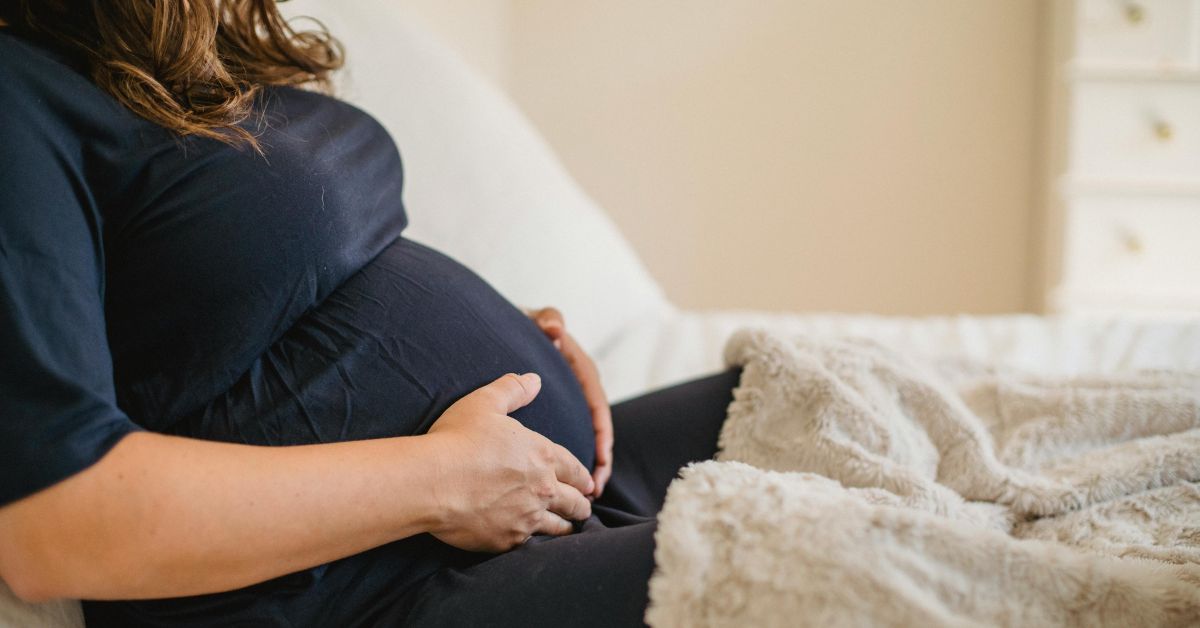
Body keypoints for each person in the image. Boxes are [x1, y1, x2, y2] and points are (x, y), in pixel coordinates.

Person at [0, 2, 740, 626]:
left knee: (795, 396)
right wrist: (443, 480)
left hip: (525, 498)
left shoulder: (155, 62)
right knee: (787, 559)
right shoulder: (17, 86)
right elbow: (52, 525)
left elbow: (224, 292)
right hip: (369, 589)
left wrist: (517, 335)